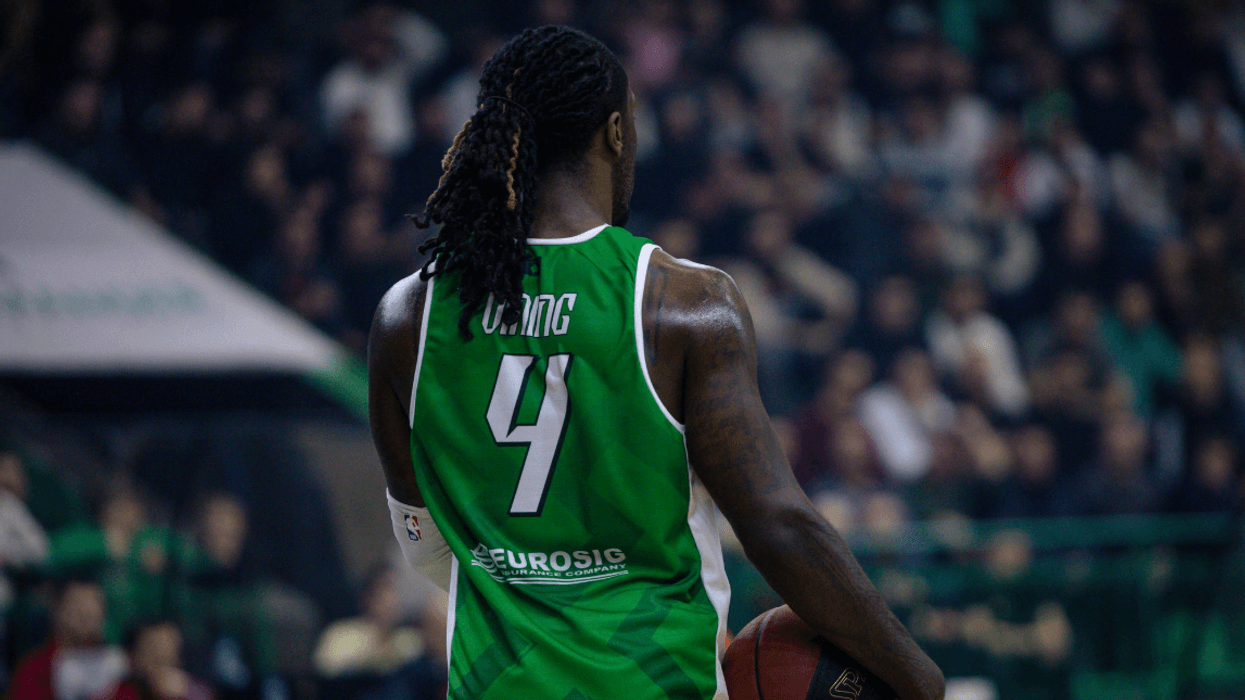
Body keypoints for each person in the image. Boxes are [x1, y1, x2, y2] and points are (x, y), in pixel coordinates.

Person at [368, 26, 943, 700]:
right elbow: (777, 526)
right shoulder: (683, 304)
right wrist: (920, 679)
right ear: (616, 132)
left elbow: (426, 546)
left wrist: (537, 579)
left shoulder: (408, 316)